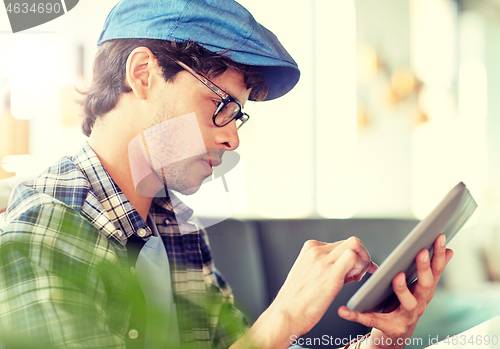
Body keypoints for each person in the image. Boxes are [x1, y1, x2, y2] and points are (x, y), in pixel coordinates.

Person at [0, 0, 454, 348]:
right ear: (143, 74)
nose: (233, 139)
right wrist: (284, 317)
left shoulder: (176, 230)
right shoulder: (47, 229)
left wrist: (384, 339)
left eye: (238, 116)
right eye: (221, 105)